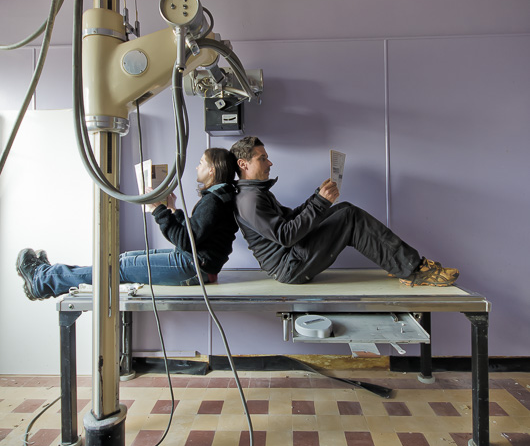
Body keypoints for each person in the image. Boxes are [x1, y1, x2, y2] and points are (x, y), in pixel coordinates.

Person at [229, 136, 459, 287]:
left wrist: (318, 197)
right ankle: (413, 270)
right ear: (243, 164)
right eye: (262, 158)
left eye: (267, 158)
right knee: (350, 217)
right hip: (288, 267)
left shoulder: (255, 194)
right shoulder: (250, 200)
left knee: (344, 209)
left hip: (292, 259)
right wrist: (319, 203)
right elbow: (286, 236)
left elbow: (290, 219)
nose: (269, 163)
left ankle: (399, 263)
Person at [16, 148, 239, 300]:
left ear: (212, 170)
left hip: (192, 267)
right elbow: (196, 233)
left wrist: (158, 210)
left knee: (119, 268)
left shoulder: (214, 201)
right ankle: (50, 276)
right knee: (123, 259)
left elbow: (185, 240)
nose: (197, 167)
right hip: (195, 263)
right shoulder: (219, 197)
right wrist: (172, 209)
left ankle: (42, 280)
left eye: (201, 163)